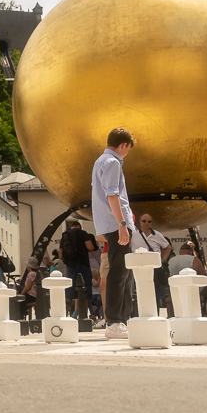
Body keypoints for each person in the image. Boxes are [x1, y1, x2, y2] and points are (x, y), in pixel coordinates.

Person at [92, 127, 136, 339]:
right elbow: (112, 195)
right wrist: (122, 223)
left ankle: (122, 321)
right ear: (124, 145)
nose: (127, 153)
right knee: (119, 273)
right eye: (128, 148)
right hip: (115, 224)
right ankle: (114, 322)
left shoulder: (100, 161)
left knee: (124, 273)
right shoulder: (113, 162)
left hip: (110, 224)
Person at [134, 214, 172, 313]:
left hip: (154, 267)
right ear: (140, 221)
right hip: (139, 267)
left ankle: (155, 312)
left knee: (155, 291)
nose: (146, 223)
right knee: (140, 290)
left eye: (149, 221)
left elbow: (167, 247)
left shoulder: (157, 234)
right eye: (144, 221)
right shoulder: (134, 235)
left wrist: (162, 259)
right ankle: (139, 313)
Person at [59, 220, 96, 314]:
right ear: (79, 226)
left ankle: (65, 313)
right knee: (85, 289)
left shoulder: (65, 236)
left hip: (70, 266)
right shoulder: (83, 233)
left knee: (69, 289)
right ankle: (83, 314)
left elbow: (60, 256)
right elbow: (90, 247)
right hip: (83, 264)